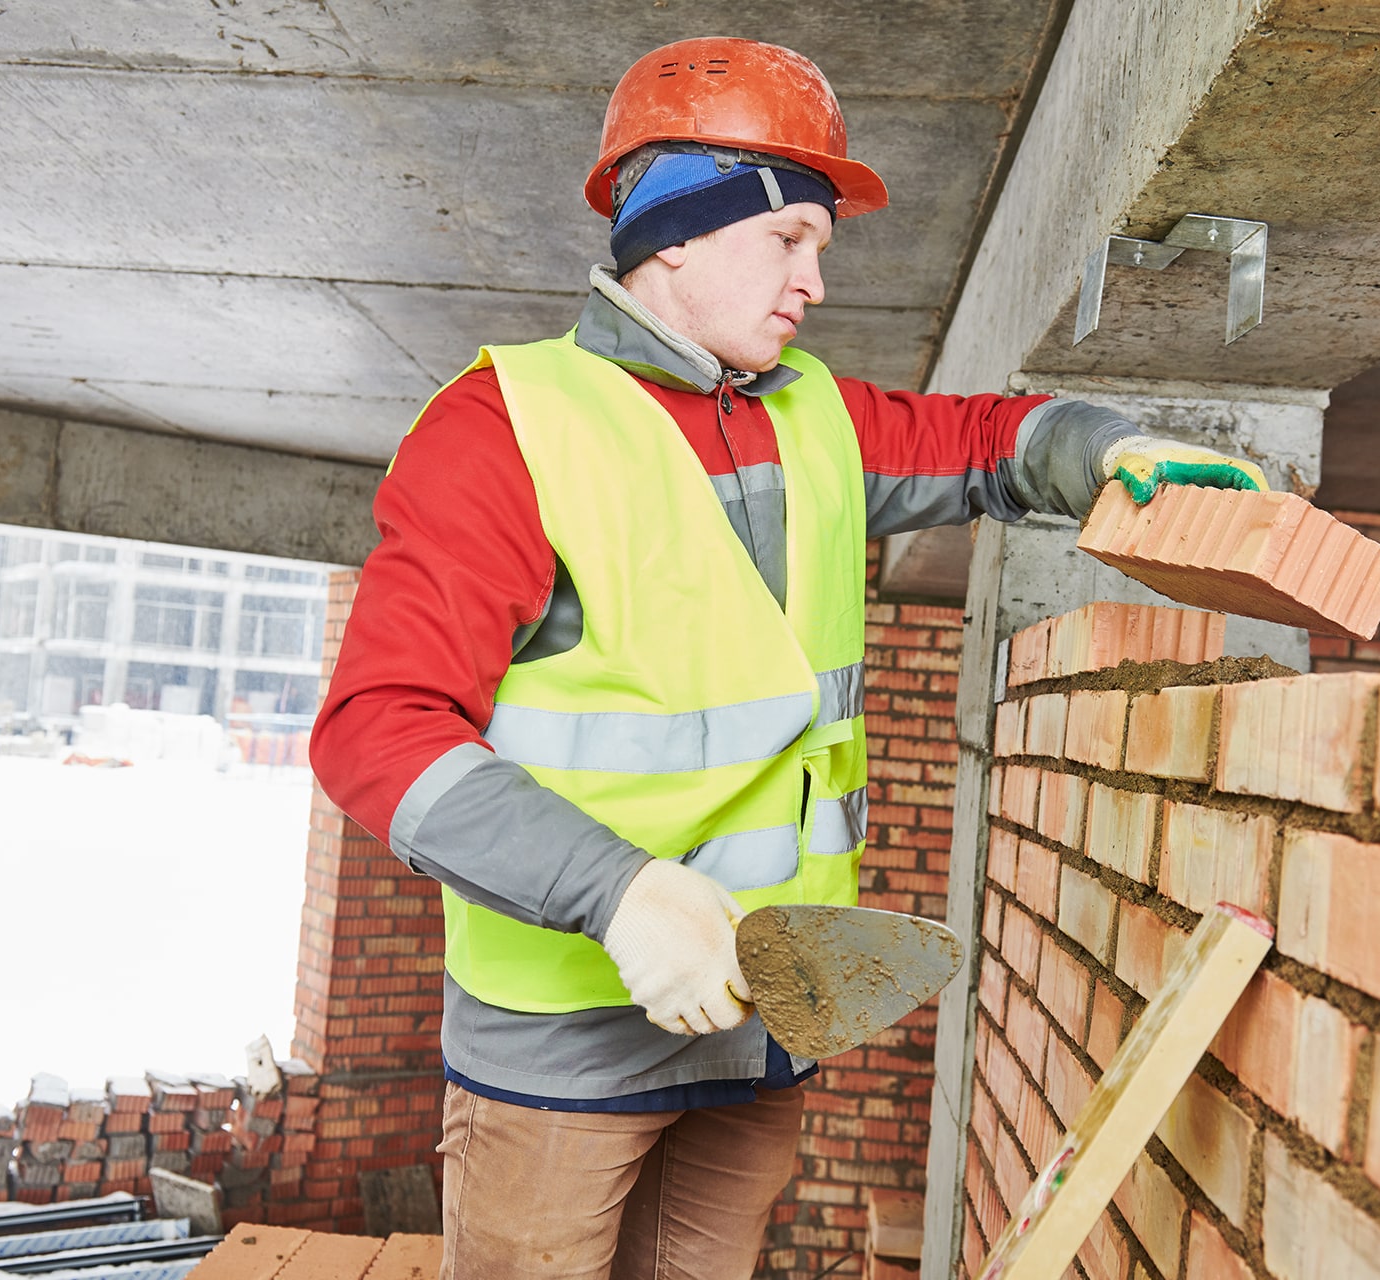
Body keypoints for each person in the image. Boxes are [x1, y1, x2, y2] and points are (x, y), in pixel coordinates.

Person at [310, 36, 1264, 1280]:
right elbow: (379, 727)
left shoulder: (816, 413)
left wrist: (1109, 447)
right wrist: (620, 891)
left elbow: (987, 442)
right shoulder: (504, 429)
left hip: (766, 1019)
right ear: (677, 235)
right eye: (792, 239)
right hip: (566, 1039)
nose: (816, 279)